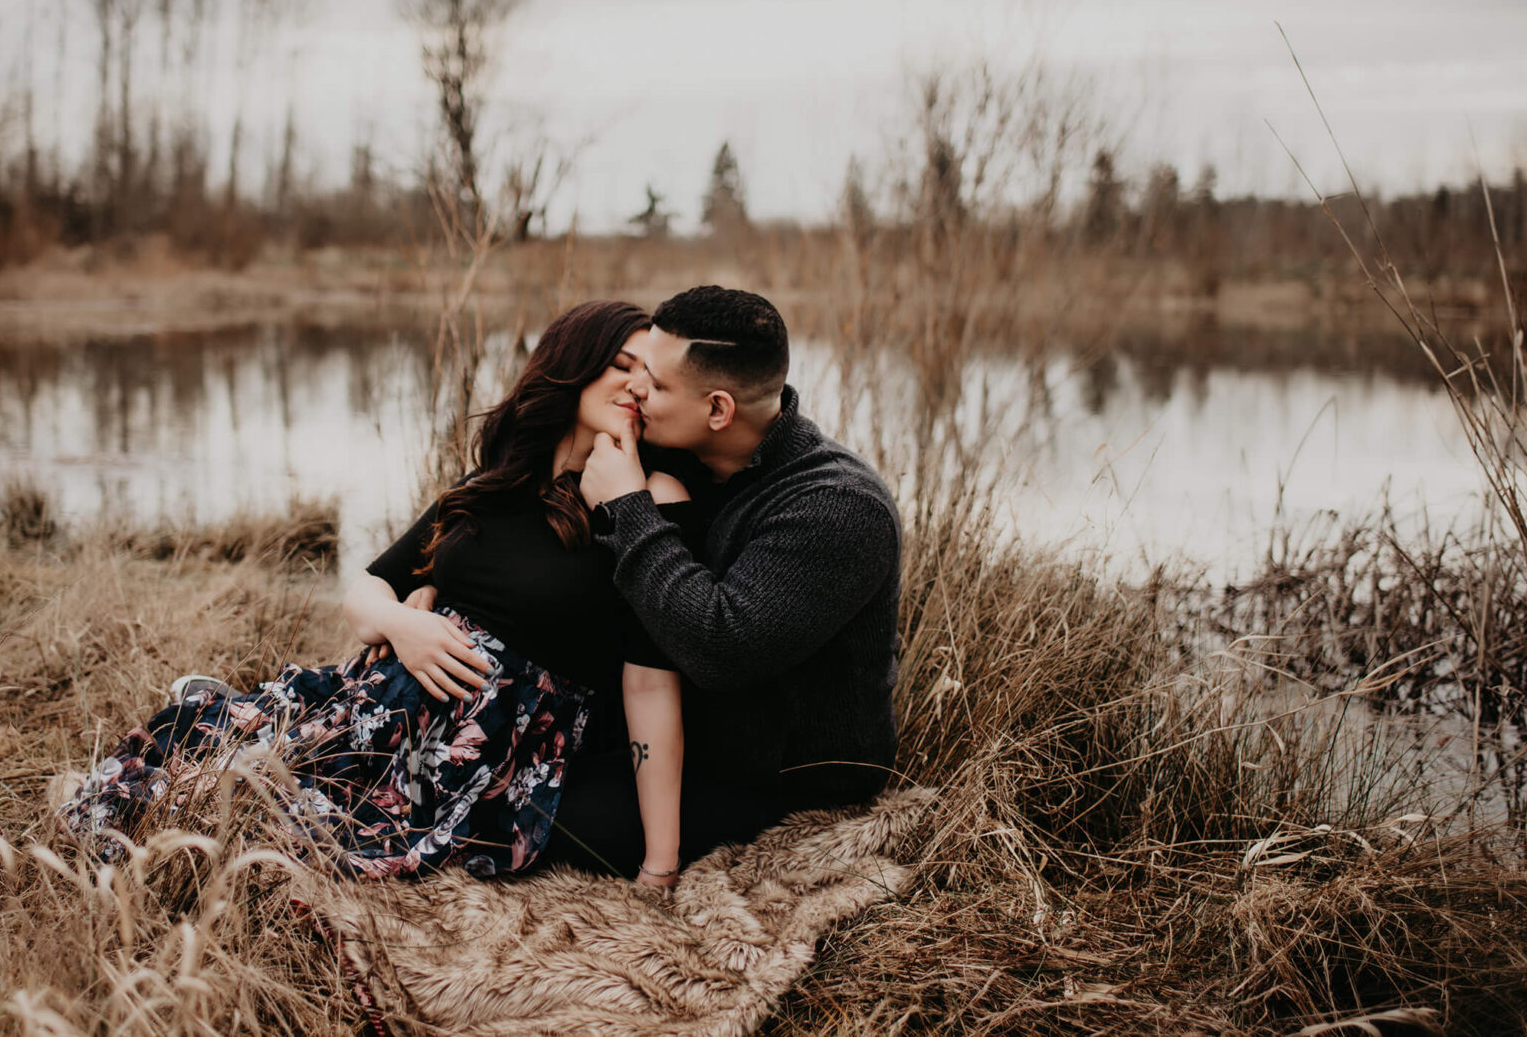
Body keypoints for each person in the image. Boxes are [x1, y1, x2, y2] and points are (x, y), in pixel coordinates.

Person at [58, 300, 694, 886]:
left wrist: (660, 865)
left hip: (473, 752)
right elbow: (366, 591)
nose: (640, 385)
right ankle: (220, 714)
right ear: (571, 367)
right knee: (184, 779)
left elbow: (648, 680)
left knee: (307, 830)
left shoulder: (650, 500)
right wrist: (403, 624)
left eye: (652, 375)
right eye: (621, 365)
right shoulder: (493, 487)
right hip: (382, 698)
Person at [540, 285, 902, 878]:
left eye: (655, 385)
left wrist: (631, 507)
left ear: (717, 410)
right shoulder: (693, 455)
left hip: (782, 784)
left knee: (527, 818)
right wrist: (431, 581)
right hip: (682, 739)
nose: (637, 390)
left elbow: (718, 647)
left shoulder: (837, 507)